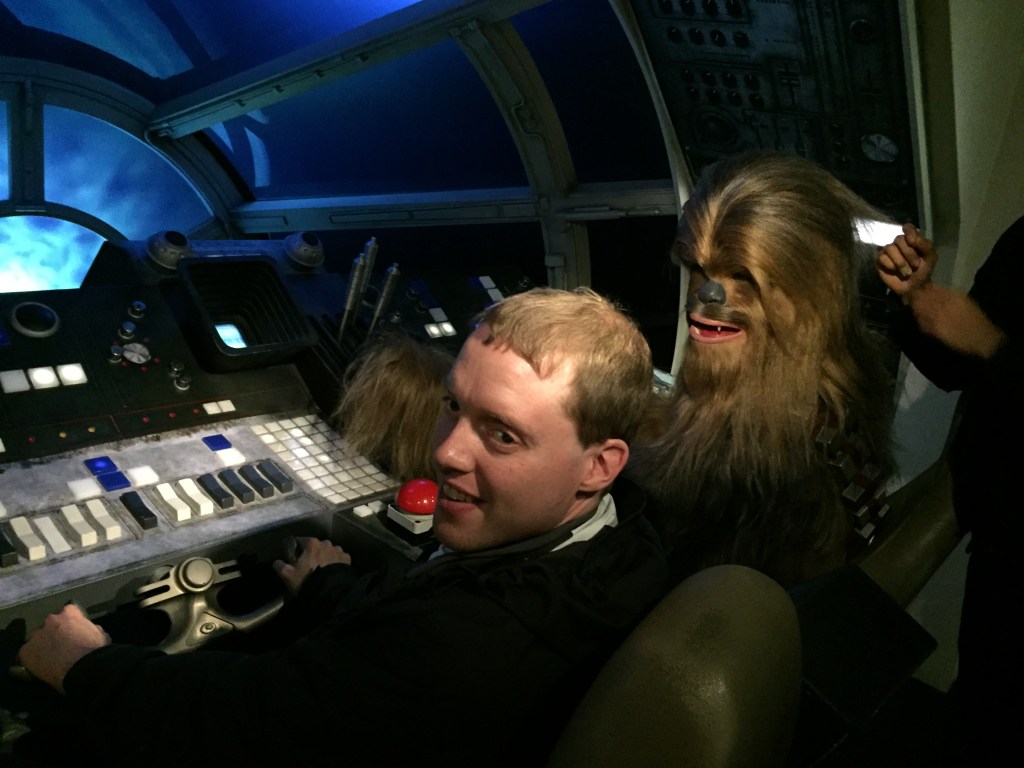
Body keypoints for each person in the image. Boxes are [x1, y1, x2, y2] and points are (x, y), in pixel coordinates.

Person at [14, 287, 668, 767]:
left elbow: (246, 721)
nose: (445, 452)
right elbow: (405, 643)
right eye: (452, 406)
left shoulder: (470, 645)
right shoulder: (626, 538)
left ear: (599, 465)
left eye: (501, 435)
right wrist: (330, 590)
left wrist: (85, 665)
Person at [877, 216, 1024, 764]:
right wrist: (913, 299)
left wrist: (992, 344)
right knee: (983, 707)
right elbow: (955, 367)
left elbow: (984, 346)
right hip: (998, 526)